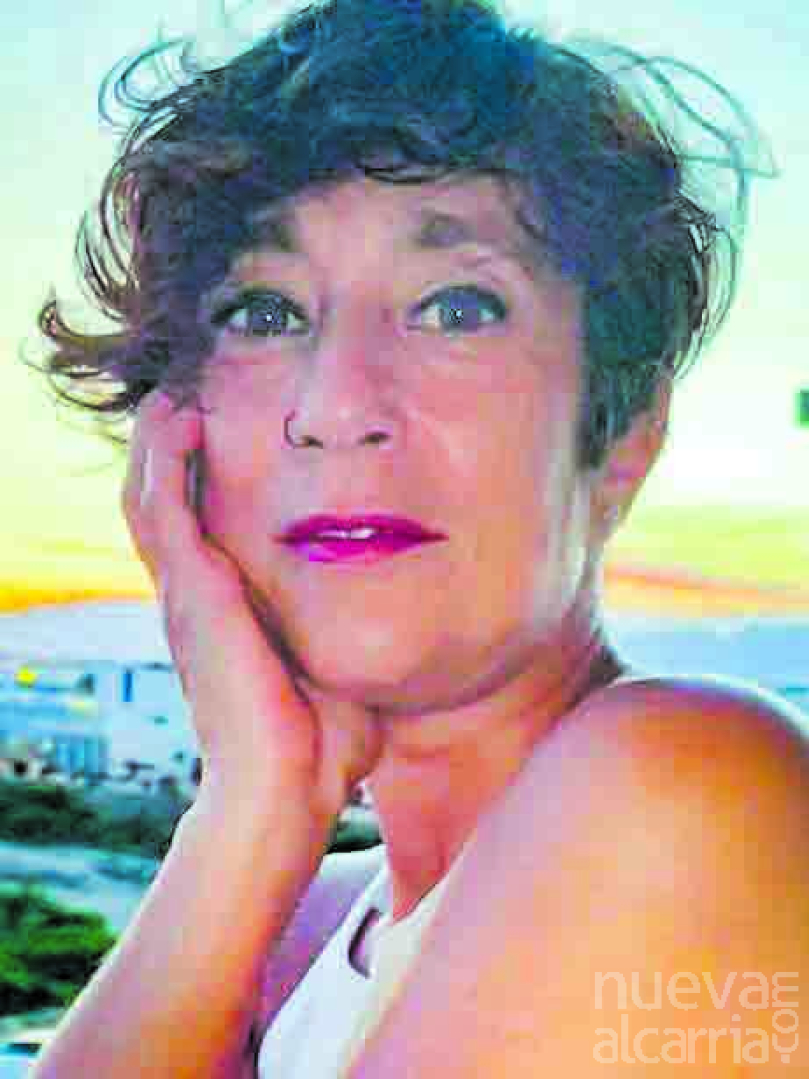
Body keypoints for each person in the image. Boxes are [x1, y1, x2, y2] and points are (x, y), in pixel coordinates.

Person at [31, 1, 807, 1074]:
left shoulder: (686, 788)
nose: (336, 403)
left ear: (621, 429)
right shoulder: (298, 926)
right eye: (265, 313)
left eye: (456, 307)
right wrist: (249, 805)